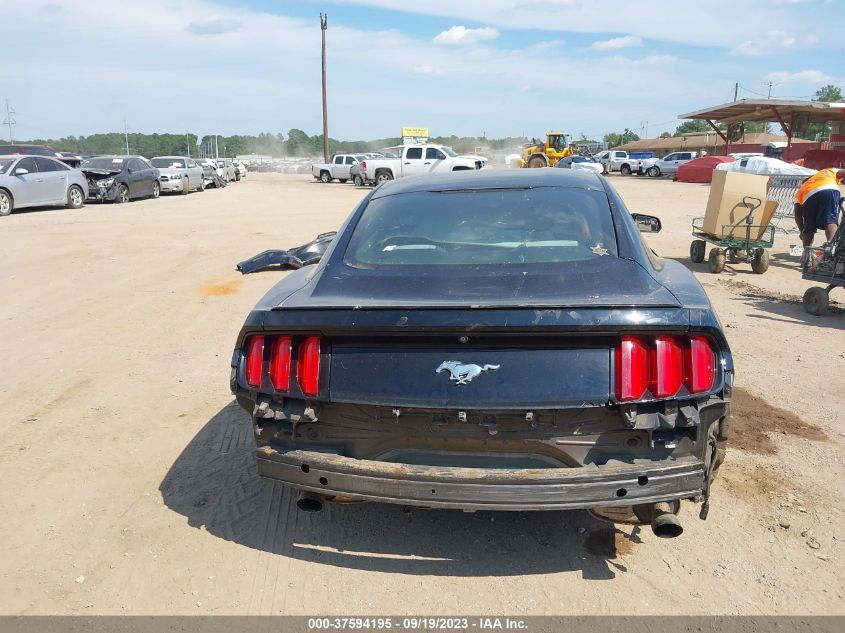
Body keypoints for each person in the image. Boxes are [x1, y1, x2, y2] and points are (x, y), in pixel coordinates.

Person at [793, 168, 845, 247]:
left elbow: (797, 214)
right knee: (830, 219)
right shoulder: (827, 171)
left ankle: (806, 253)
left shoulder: (802, 189)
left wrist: (801, 230)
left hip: (808, 195)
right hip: (828, 189)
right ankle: (830, 246)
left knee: (809, 227)